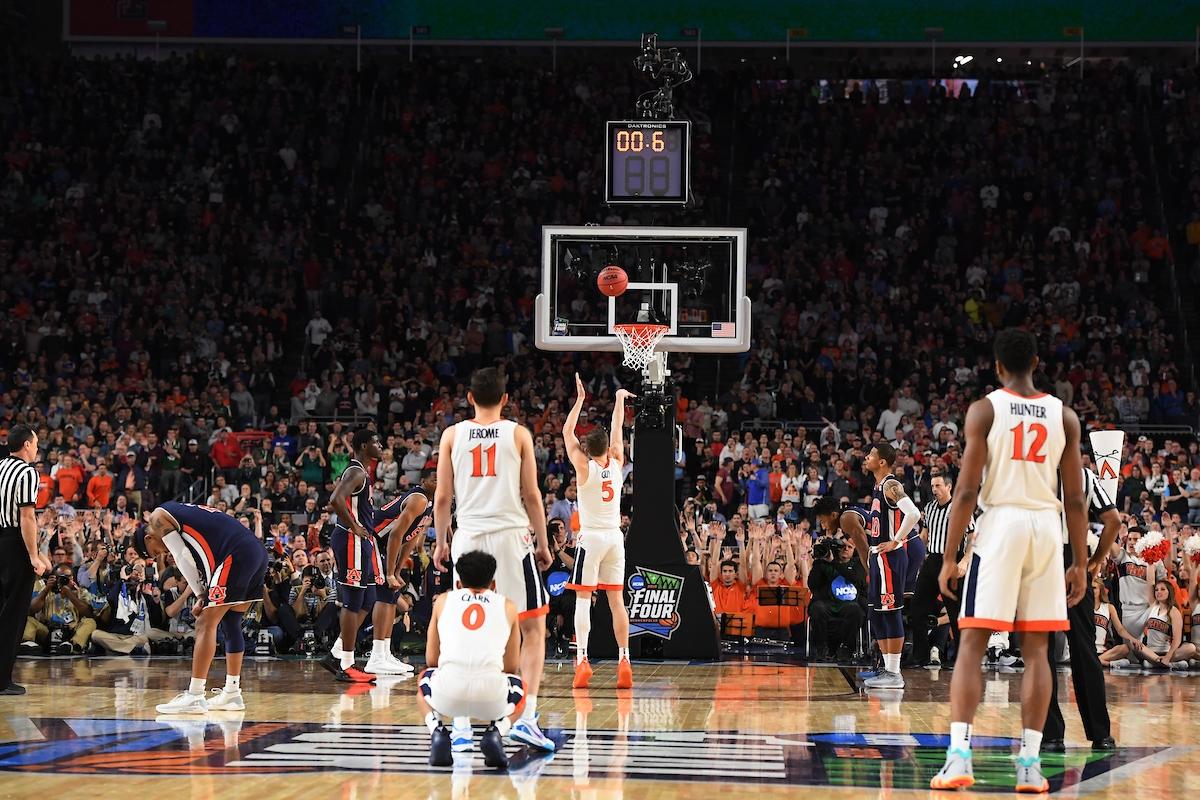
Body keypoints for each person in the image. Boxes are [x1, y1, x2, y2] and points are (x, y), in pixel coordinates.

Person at [932, 329, 1088, 793]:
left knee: (973, 643)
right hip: (1046, 526)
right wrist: (1079, 561)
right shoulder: (1065, 416)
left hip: (1001, 525)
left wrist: (949, 556)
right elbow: (1076, 500)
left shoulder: (985, 409)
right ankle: (1030, 763)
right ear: (1036, 362)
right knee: (1038, 651)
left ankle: (959, 756)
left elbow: (965, 491)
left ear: (997, 366)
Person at [433, 367, 554, 752]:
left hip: (468, 536)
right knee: (533, 628)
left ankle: (463, 726)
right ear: (505, 399)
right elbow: (532, 495)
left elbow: (441, 498)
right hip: (511, 537)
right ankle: (527, 716)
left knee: (462, 629)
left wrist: (441, 542)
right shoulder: (518, 433)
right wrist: (544, 542)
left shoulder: (452, 435)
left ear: (470, 398)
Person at [142, 501, 269, 714]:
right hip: (254, 551)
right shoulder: (183, 517)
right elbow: (202, 556)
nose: (161, 555)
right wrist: (205, 592)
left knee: (204, 622)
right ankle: (232, 693)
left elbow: (182, 557)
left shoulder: (157, 517)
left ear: (148, 538)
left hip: (237, 553)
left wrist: (201, 594)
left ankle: (195, 695)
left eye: (154, 553)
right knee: (231, 622)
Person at [418, 550, 526, 769]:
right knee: (519, 685)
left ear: (458, 584)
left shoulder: (443, 601)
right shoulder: (508, 606)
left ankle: (438, 731)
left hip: (448, 695)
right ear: (494, 585)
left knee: (424, 677)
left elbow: (431, 659)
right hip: (492, 699)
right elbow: (511, 667)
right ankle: (496, 733)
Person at [561, 374, 634, 690]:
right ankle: (624, 661)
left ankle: (583, 663)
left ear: (586, 448)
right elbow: (617, 428)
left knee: (582, 599)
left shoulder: (583, 466)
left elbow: (567, 432)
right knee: (617, 602)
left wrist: (579, 400)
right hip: (615, 539)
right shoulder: (617, 461)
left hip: (590, 538)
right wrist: (618, 399)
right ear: (607, 448)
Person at [1043, 466, 1122, 753]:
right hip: (1076, 563)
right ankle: (1101, 735)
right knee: (1085, 651)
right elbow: (1114, 520)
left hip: (1039, 562)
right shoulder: (1085, 474)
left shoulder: (1030, 469)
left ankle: (1051, 736)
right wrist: (1095, 561)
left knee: (1042, 652)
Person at [320, 429, 385, 683]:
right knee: (353, 601)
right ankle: (346, 664)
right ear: (363, 445)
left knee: (368, 600)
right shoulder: (356, 470)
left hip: (360, 541)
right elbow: (335, 499)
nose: (380, 445)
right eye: (376, 441)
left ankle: (336, 653)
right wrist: (355, 526)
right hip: (351, 539)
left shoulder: (362, 472)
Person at [858, 442, 921, 689]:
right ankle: (886, 668)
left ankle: (895, 674)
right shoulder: (877, 486)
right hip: (878, 555)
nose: (866, 457)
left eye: (870, 455)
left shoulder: (891, 485)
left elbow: (914, 514)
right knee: (877, 613)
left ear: (882, 461)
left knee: (891, 612)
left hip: (890, 558)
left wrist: (896, 540)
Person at [0, 425, 50, 696]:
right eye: (36, 442)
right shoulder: (27, 472)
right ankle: (2, 680)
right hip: (14, 542)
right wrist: (34, 555)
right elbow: (27, 517)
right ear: (28, 445)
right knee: (13, 614)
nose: (37, 447)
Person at [909, 473, 974, 666]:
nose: (934, 489)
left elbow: (973, 538)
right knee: (917, 608)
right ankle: (919, 656)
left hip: (952, 561)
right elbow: (924, 536)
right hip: (931, 561)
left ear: (949, 486)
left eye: (938, 485)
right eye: (932, 486)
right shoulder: (929, 508)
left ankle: (960, 659)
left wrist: (964, 561)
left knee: (955, 613)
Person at [809, 498, 868, 661]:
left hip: (851, 603)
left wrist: (834, 562)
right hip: (828, 602)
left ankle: (846, 648)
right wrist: (819, 560)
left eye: (849, 547)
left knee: (856, 610)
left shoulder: (857, 562)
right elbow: (812, 585)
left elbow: (859, 581)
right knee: (817, 608)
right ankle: (822, 649)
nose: (845, 549)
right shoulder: (825, 559)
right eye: (842, 546)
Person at [1100, 579, 1195, 669]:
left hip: (1166, 652)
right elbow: (1150, 581)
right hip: (1149, 651)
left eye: (1162, 589)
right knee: (1132, 643)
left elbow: (1177, 640)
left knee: (1191, 648)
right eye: (1156, 590)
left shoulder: (1174, 612)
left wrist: (1167, 657)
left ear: (1169, 592)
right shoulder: (1153, 606)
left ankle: (1156, 663)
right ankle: (1166, 663)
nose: (1159, 592)